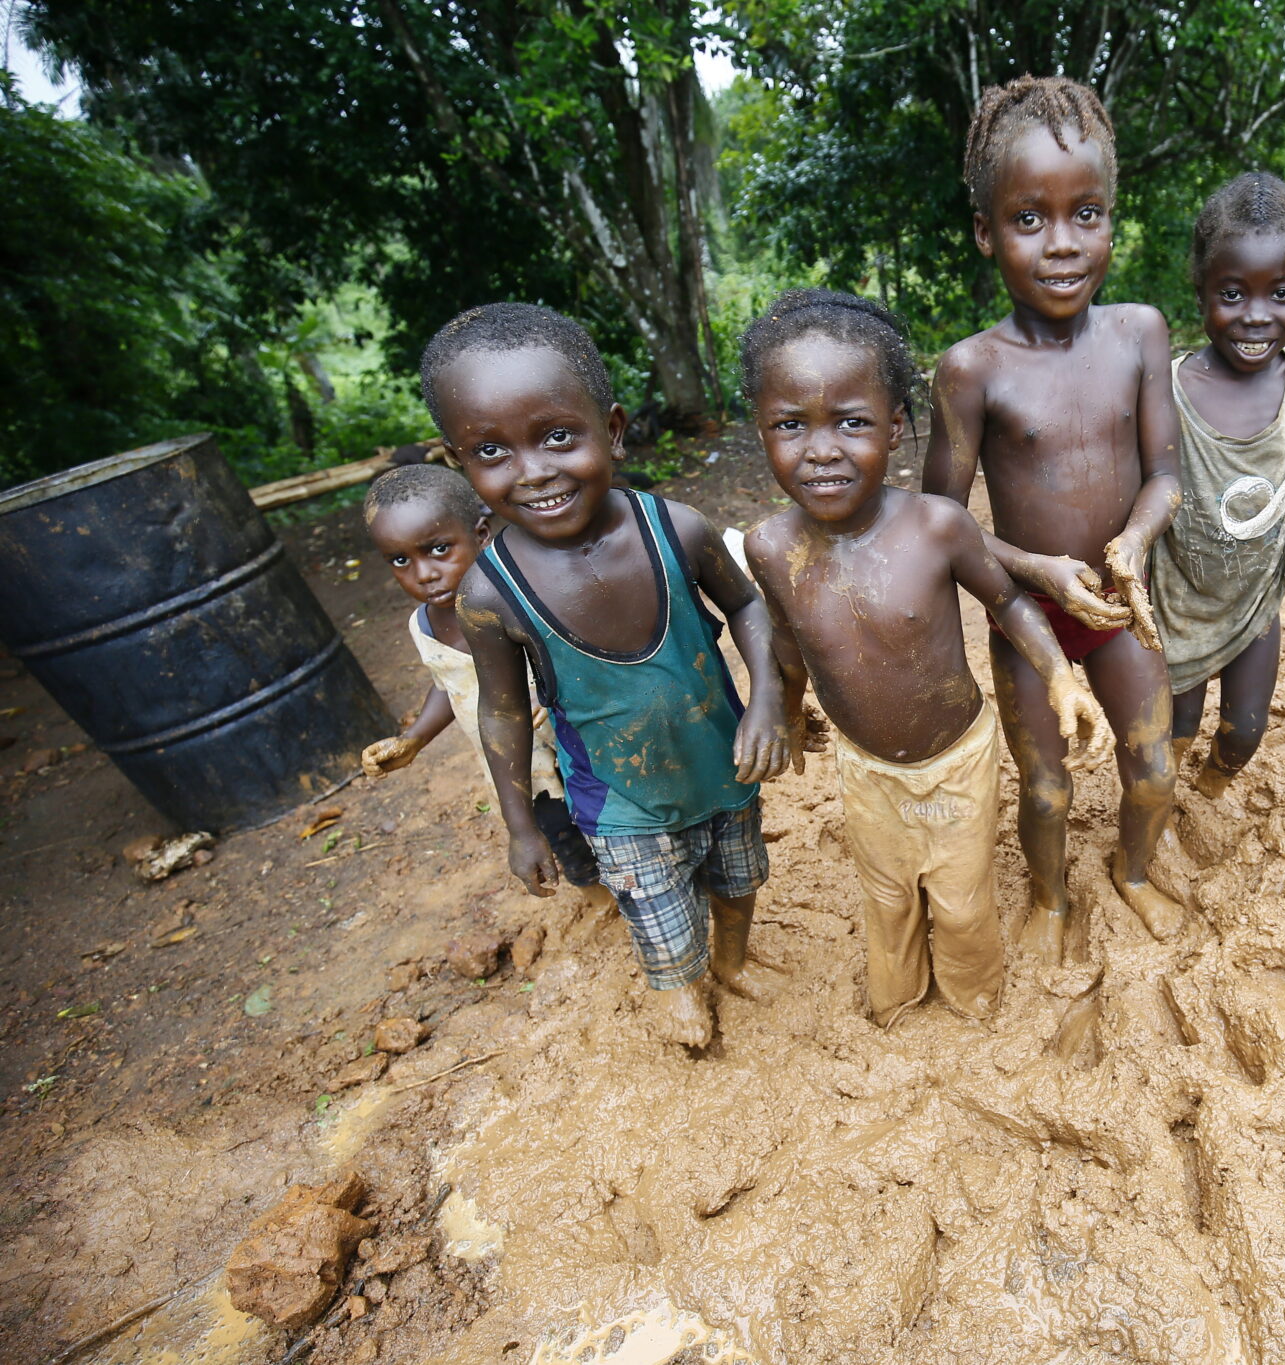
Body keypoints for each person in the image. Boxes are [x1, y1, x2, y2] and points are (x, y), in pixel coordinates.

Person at [740, 289, 1114, 1025]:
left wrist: (1062, 678)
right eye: (791, 425)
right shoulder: (770, 547)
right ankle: (897, 997)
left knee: (962, 897)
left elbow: (1009, 602)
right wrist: (783, 709)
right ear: (762, 431)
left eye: (852, 422)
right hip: (866, 767)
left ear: (896, 425)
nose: (822, 450)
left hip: (956, 762)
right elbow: (787, 640)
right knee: (886, 896)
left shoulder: (937, 526)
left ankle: (975, 998)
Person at [427, 302, 793, 1047]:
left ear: (614, 430)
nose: (534, 471)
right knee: (657, 915)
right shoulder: (490, 595)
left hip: (722, 766)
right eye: (492, 450)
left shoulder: (676, 529)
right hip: (619, 803)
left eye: (558, 436)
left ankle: (732, 960)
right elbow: (502, 712)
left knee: (739, 881)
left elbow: (749, 605)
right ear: (459, 464)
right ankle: (681, 989)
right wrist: (521, 825)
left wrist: (767, 700)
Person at [923, 75, 1185, 965]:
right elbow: (939, 525)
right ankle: (1050, 896)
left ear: (1112, 219)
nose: (1063, 243)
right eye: (1030, 219)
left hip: (1120, 608)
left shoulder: (1140, 333)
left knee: (1155, 769)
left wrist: (1134, 542)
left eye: (1087, 214)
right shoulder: (971, 369)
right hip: (1026, 618)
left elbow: (1166, 476)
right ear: (985, 232)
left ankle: (1135, 873)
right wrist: (1037, 570)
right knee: (1045, 791)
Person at [1155, 172, 1285, 799]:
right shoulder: (1166, 388)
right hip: (1177, 604)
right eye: (1233, 294)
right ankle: (1164, 808)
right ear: (1201, 291)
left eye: (1282, 293)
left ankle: (1210, 790)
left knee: (1244, 732)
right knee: (1174, 729)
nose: (1258, 315)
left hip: (1256, 600)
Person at [357, 464, 598, 886]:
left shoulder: (524, 595)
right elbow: (451, 686)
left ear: (481, 534)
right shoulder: (424, 628)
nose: (424, 574)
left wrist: (551, 692)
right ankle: (595, 893)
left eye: (438, 549)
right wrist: (415, 739)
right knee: (561, 839)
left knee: (608, 823)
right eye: (401, 560)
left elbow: (588, 652)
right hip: (522, 770)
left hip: (581, 749)